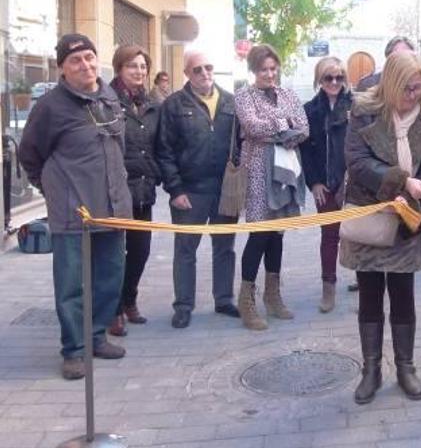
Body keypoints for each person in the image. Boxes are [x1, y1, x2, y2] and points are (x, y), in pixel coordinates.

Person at [19, 33, 131, 380]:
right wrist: (54, 192)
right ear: (63, 68)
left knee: (109, 278)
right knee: (72, 285)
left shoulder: (109, 96)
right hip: (73, 215)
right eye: (75, 60)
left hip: (113, 208)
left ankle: (96, 337)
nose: (85, 65)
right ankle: (74, 350)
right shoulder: (50, 106)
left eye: (89, 57)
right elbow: (29, 156)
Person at [342, 51, 421, 405]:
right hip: (368, 217)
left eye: (420, 87)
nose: (414, 95)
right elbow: (357, 163)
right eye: (408, 88)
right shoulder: (363, 112)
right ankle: (371, 370)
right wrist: (402, 181)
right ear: (391, 85)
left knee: (403, 294)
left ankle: (405, 368)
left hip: (405, 222)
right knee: (369, 294)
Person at [157, 51, 240, 329]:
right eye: (197, 70)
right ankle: (183, 305)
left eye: (208, 67)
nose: (204, 73)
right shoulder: (173, 105)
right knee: (185, 250)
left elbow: (239, 144)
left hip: (224, 191)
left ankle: (224, 299)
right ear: (187, 74)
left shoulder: (230, 101)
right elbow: (164, 150)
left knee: (225, 248)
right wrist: (175, 189)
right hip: (190, 192)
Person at [234, 44, 309, 330]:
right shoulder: (244, 96)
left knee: (277, 233)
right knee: (259, 234)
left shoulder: (288, 93)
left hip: (285, 171)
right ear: (254, 70)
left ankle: (273, 294)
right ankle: (246, 300)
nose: (269, 74)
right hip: (257, 171)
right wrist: (284, 125)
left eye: (272, 68)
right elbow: (252, 127)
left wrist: (282, 128)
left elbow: (304, 128)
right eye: (263, 69)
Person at [107, 45, 162, 337]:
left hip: (144, 188)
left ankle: (129, 299)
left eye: (143, 67)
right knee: (115, 253)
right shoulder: (106, 101)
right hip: (116, 190)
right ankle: (113, 309)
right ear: (119, 68)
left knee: (140, 250)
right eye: (132, 66)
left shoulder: (151, 103)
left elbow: (157, 144)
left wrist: (157, 173)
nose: (139, 72)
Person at [301, 56, 353, 312]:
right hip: (325, 183)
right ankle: (328, 287)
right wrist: (314, 183)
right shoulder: (310, 110)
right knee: (330, 236)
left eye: (339, 77)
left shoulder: (357, 106)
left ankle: (364, 283)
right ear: (319, 80)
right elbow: (306, 152)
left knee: (357, 234)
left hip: (354, 181)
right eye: (328, 78)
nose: (334, 82)